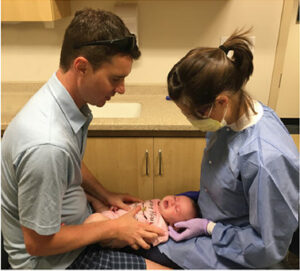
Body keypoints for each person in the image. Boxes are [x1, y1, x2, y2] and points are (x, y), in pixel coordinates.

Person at [1, 8, 167, 270]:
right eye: (115, 78)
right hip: (53, 261)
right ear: (81, 67)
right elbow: (37, 244)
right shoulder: (47, 144)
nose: (121, 89)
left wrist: (105, 195)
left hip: (75, 230)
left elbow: (70, 162)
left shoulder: (64, 104)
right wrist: (111, 229)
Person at [141, 30, 299, 269]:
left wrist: (209, 228)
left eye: (192, 114)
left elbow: (268, 248)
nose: (190, 120)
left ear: (221, 102)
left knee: (144, 253)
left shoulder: (265, 159)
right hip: (216, 222)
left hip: (244, 252)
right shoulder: (232, 118)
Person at [84, 194, 201, 246]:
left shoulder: (162, 230)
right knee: (93, 196)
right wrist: (120, 207)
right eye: (176, 198)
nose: (172, 202)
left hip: (112, 235)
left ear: (175, 225)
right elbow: (136, 207)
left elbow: (148, 239)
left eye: (176, 209)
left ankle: (75, 235)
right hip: (112, 214)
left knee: (95, 219)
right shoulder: (157, 202)